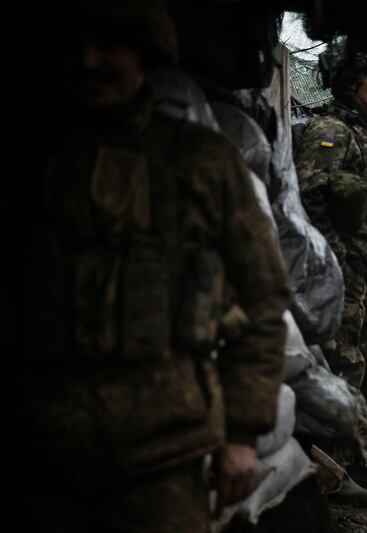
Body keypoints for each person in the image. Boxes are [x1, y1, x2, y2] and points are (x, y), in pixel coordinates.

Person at [7, 1, 289, 529]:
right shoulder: (29, 160)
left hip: (163, 458)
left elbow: (263, 297)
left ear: (146, 52)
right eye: (77, 46)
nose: (89, 61)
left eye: (110, 45)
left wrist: (242, 434)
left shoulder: (203, 162)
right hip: (35, 455)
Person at [294, 45, 367, 493]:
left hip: (363, 273)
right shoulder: (330, 131)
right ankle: (335, 473)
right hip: (340, 274)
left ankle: (364, 460)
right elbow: (309, 200)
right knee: (347, 367)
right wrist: (336, 260)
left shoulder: (362, 132)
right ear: (350, 83)